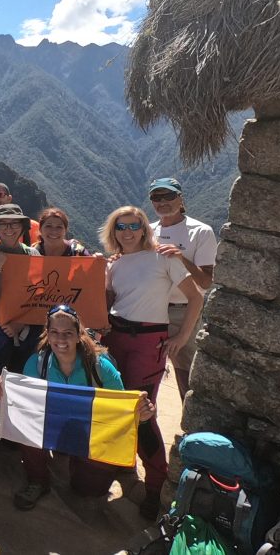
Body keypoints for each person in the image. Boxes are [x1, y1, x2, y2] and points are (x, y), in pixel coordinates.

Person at [0, 304, 156, 511]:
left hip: (90, 432)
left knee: (88, 488)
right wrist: (3, 396)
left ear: (79, 335)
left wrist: (143, 414)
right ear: (47, 336)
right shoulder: (37, 364)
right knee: (27, 428)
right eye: (55, 333)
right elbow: (25, 405)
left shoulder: (100, 366)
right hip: (55, 428)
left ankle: (90, 464)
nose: (61, 339)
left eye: (68, 333)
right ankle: (37, 480)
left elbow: (121, 409)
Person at [99, 205, 204, 519]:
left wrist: (182, 337)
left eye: (134, 226)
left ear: (144, 229)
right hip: (115, 337)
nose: (128, 232)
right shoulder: (113, 265)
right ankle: (123, 465)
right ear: (113, 231)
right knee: (115, 404)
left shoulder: (164, 257)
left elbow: (196, 296)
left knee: (142, 410)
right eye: (121, 227)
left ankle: (156, 482)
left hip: (148, 341)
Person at [148, 178, 217, 400]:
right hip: (150, 308)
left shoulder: (201, 232)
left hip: (183, 310)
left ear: (180, 198)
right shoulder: (147, 231)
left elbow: (206, 281)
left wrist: (180, 258)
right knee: (145, 370)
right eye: (156, 197)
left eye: (168, 196)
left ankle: (192, 428)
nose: (162, 202)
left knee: (186, 374)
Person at [0, 204, 42, 375]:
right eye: (3, 224)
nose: (9, 229)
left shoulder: (33, 255)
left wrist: (21, 323)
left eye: (14, 223)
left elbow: (40, 297)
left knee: (26, 374)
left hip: (28, 326)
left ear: (22, 227)